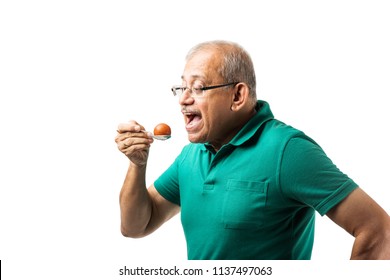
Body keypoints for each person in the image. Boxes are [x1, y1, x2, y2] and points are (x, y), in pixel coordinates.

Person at [115, 40, 390, 260]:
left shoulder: (287, 150)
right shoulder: (191, 155)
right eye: (182, 87)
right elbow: (136, 226)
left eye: (198, 87)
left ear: (237, 96)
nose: (184, 99)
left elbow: (379, 231)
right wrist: (137, 165)